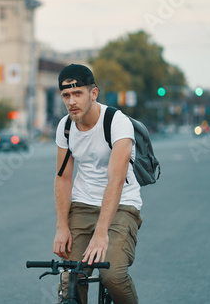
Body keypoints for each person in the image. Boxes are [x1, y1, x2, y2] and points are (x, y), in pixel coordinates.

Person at [53, 64, 143, 304]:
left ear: (93, 93)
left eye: (77, 93)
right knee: (71, 277)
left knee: (112, 275)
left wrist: (101, 233)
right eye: (66, 95)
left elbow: (116, 180)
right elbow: (63, 178)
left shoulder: (117, 122)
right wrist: (62, 226)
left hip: (122, 205)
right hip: (83, 205)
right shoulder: (66, 127)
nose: (71, 101)